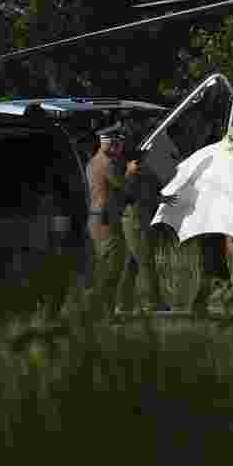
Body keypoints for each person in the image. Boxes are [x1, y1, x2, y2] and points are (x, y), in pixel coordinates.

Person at [86, 122, 137, 319]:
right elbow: (126, 187)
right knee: (111, 268)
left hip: (97, 219)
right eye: (117, 144)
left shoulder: (93, 162)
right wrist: (131, 172)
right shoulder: (107, 164)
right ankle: (103, 313)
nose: (119, 148)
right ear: (108, 143)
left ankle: (100, 311)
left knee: (103, 266)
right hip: (106, 220)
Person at [121, 147, 176, 313]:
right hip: (135, 225)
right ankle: (153, 302)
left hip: (140, 224)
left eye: (141, 161)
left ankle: (123, 303)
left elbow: (157, 186)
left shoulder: (144, 175)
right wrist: (160, 199)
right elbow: (138, 197)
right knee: (146, 263)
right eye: (136, 162)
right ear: (128, 163)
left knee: (132, 265)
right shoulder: (127, 179)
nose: (140, 165)